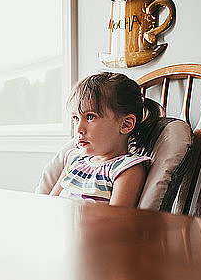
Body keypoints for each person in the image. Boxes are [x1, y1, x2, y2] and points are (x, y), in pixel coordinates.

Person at [50, 72, 165, 207]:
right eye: (75, 118)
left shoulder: (126, 169)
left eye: (90, 117)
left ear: (125, 124)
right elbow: (50, 203)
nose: (78, 129)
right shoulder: (74, 159)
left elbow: (116, 221)